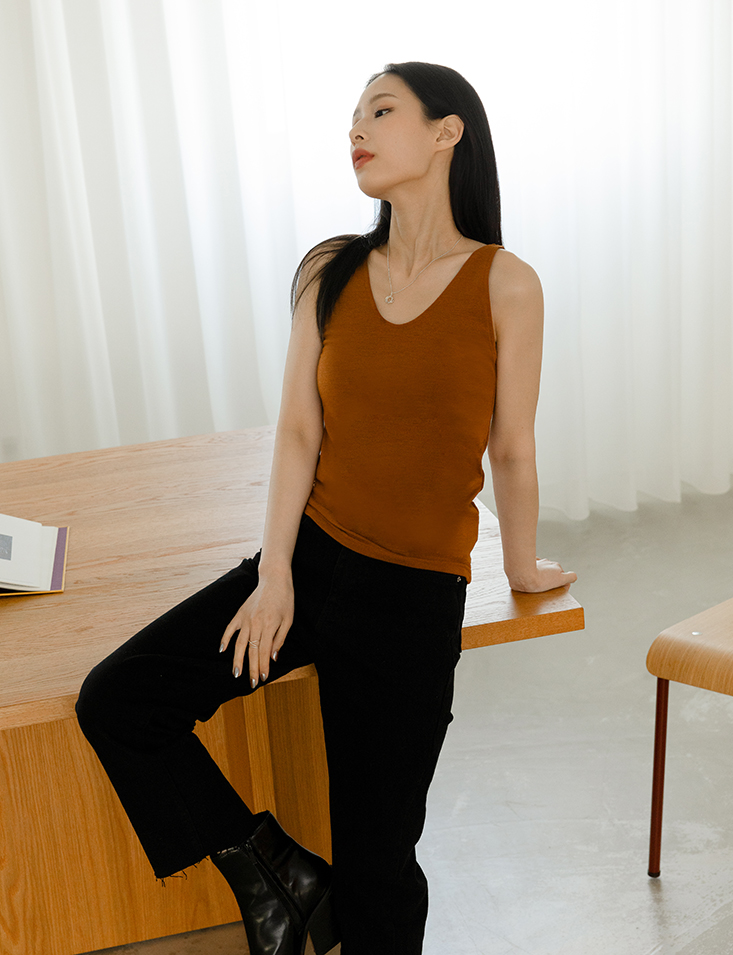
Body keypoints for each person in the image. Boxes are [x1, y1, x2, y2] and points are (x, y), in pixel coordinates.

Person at [76, 61, 577, 955]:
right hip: (310, 560)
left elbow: (511, 446)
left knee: (378, 865)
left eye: (380, 111)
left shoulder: (506, 284)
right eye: (353, 116)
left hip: (411, 597)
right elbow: (298, 431)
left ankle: (321, 892)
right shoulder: (330, 269)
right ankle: (272, 869)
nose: (357, 129)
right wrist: (274, 574)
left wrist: (520, 566)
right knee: (120, 700)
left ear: (446, 132)